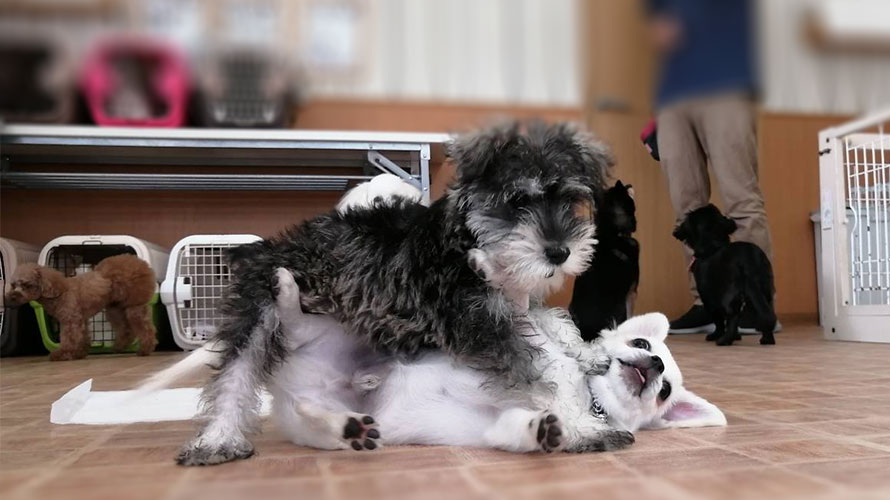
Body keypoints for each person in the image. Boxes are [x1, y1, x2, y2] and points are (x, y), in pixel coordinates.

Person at [646, 0, 778, 334]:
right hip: (674, 94)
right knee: (687, 210)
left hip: (726, 84)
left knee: (741, 200)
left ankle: (756, 304)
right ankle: (709, 302)